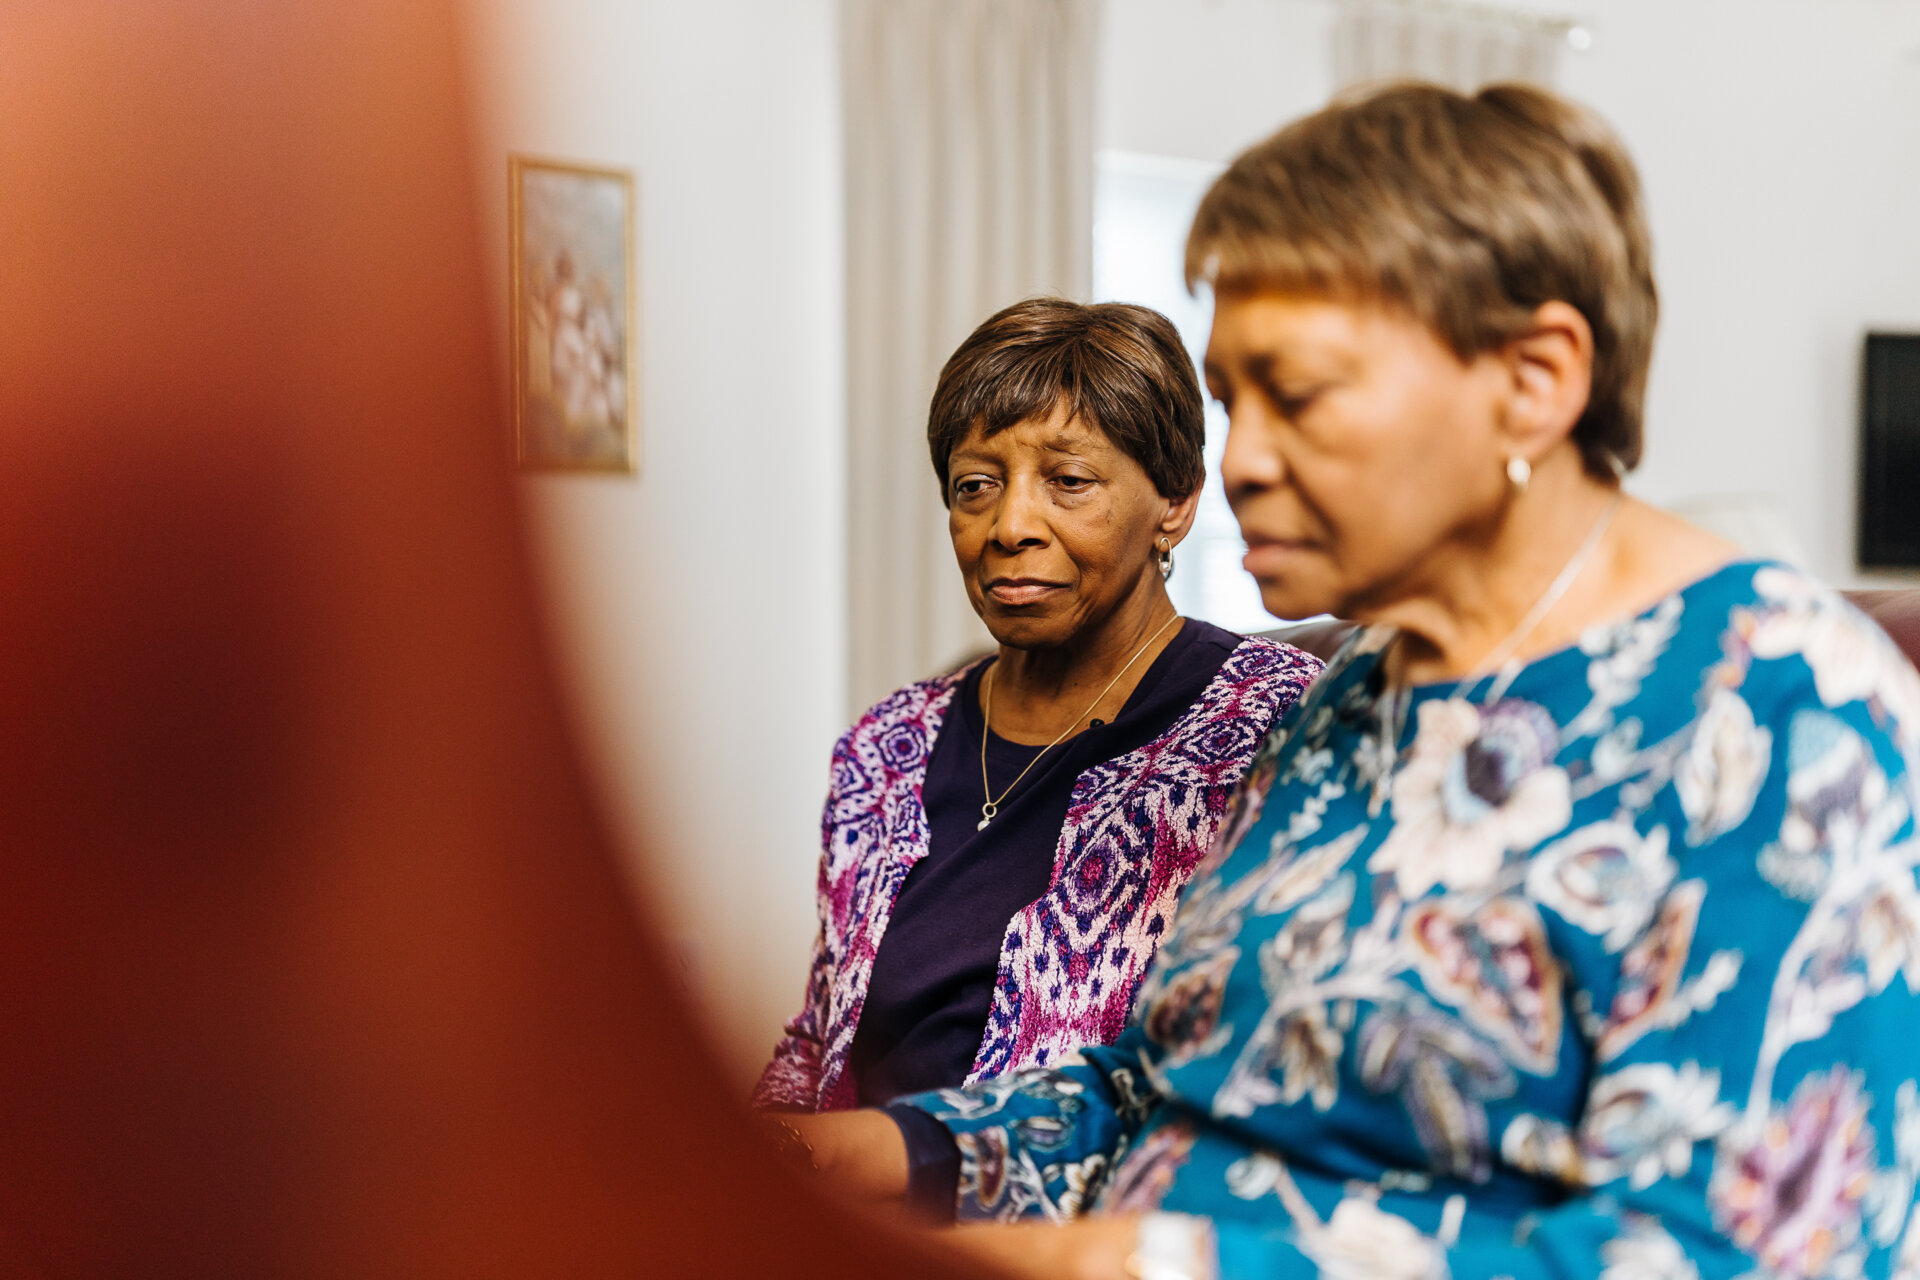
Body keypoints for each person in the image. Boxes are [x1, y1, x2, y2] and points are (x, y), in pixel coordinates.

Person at [785, 82, 1920, 1279]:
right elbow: (1164, 1086)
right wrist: (881, 1151)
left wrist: (1152, 1260)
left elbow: (1730, 1255)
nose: (1245, 464)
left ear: (1534, 378)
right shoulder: (1367, 681)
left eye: (1302, 396)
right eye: (1233, 401)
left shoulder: (1785, 709)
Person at [752, 298, 1324, 1116]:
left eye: (1069, 481)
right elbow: (816, 1041)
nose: (1010, 525)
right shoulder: (887, 747)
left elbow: (1251, 1073)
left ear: (1175, 502)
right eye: (976, 485)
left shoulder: (1275, 728)